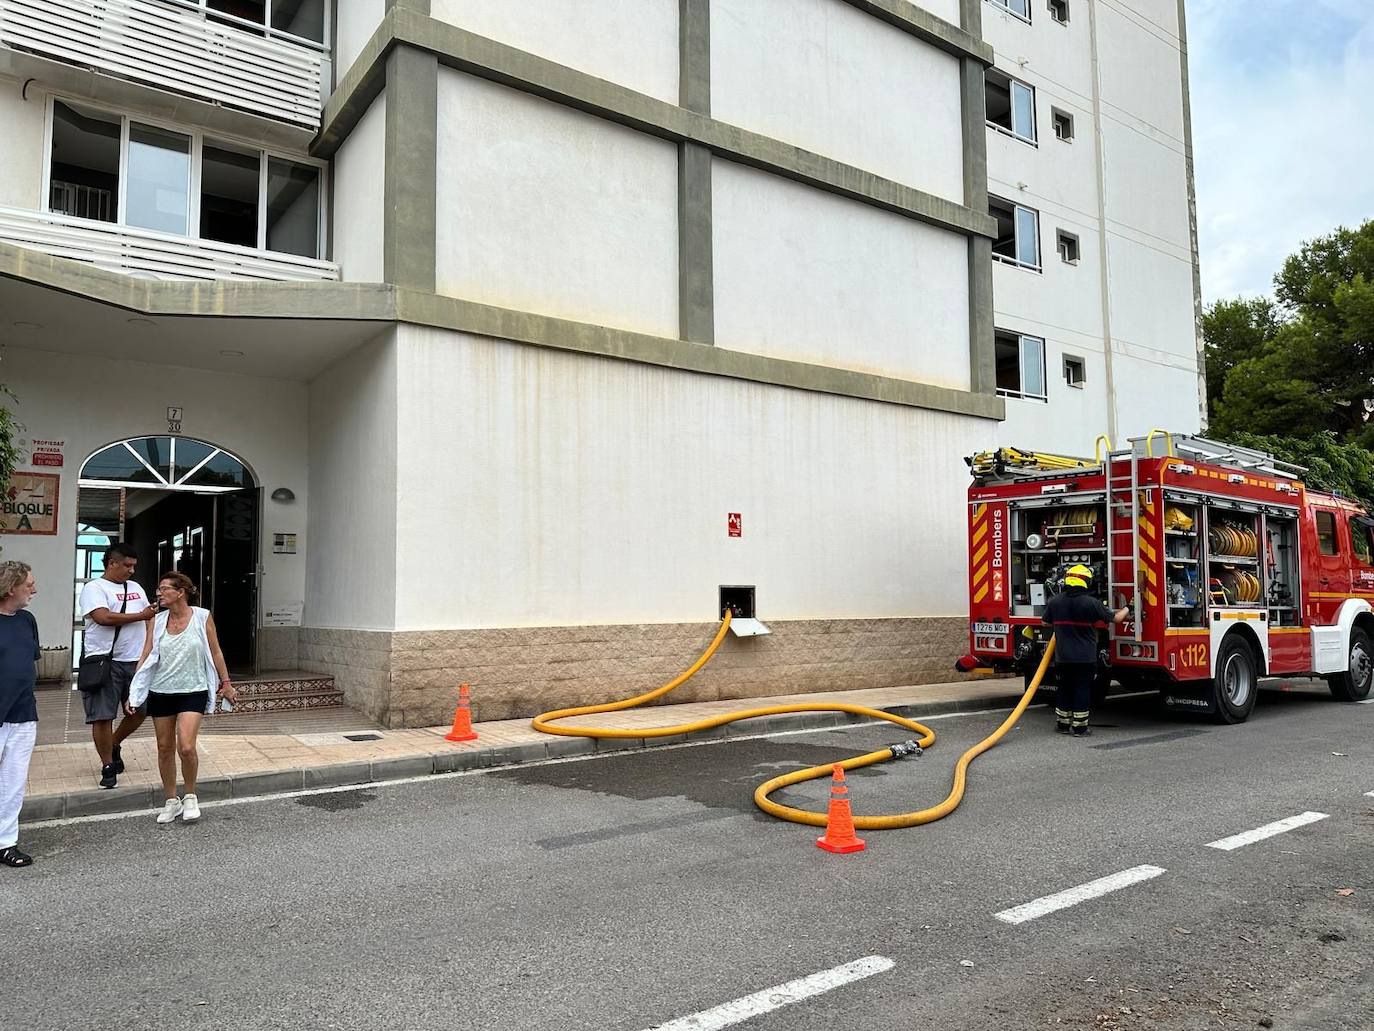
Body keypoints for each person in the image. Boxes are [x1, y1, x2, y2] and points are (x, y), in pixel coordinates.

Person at [127, 573, 237, 824]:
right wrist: (135, 691)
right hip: (161, 691)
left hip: (193, 690)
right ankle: (171, 800)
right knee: (164, 747)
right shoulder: (157, 620)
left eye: (165, 589)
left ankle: (190, 796)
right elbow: (145, 654)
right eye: (159, 589)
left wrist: (226, 682)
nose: (159, 592)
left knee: (186, 746)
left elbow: (215, 650)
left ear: (181, 592)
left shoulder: (202, 616)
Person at [79, 543, 155, 788]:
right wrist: (140, 616)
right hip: (104, 661)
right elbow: (103, 618)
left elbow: (149, 617)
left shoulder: (135, 587)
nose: (132, 571)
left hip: (135, 661)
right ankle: (107, 765)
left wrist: (149, 649)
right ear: (112, 563)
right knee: (103, 716)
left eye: (134, 566)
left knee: (141, 710)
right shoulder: (94, 588)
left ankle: (113, 742)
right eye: (127, 565)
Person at [1041, 564, 1128, 737]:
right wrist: (1128, 608)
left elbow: (1044, 622)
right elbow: (1116, 619)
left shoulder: (1055, 601)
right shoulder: (1091, 603)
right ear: (1086, 582)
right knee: (1081, 689)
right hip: (1084, 657)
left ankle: (1063, 724)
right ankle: (1080, 728)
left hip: (1062, 657)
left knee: (1064, 688)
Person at [0, 561, 39, 868]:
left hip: (23, 714)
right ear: (10, 587)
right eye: (29, 585)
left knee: (13, 783)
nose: (34, 590)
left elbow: (30, 663)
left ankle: (6, 843)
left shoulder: (27, 620)